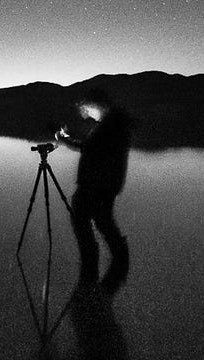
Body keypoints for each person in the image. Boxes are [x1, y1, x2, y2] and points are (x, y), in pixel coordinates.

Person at [55, 88, 133, 287]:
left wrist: (64, 139)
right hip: (106, 185)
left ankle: (90, 268)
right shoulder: (114, 124)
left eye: (87, 108)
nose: (86, 113)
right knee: (103, 221)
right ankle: (118, 261)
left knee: (82, 220)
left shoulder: (109, 126)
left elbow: (89, 148)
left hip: (95, 185)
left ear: (98, 105)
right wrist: (68, 139)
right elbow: (92, 147)